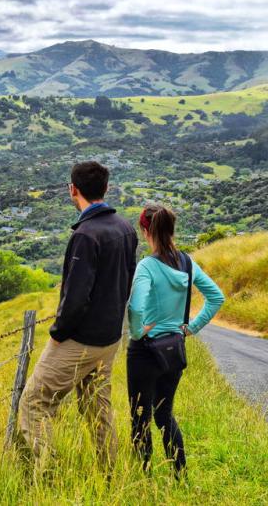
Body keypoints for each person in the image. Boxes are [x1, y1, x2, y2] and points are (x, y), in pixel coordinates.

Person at [18, 161, 138, 474]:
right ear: (106, 188)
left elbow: (75, 298)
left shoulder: (86, 235)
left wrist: (58, 332)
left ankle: (46, 473)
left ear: (73, 189)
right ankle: (110, 474)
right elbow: (127, 281)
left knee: (34, 402)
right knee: (98, 408)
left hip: (81, 339)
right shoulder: (126, 229)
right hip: (110, 338)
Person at [127, 204, 224, 477]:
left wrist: (137, 332)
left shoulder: (147, 266)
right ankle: (179, 474)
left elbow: (135, 308)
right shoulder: (187, 262)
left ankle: (144, 476)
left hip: (145, 351)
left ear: (146, 230)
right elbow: (216, 297)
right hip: (174, 349)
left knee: (140, 417)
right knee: (164, 415)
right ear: (171, 229)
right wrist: (191, 328)